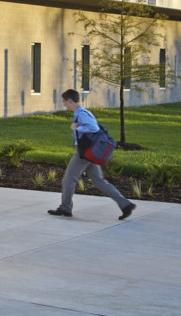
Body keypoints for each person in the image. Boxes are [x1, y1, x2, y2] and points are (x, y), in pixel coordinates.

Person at [48, 88, 135, 220]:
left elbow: (93, 128)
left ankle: (65, 208)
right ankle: (125, 204)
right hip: (90, 152)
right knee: (98, 181)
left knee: (69, 179)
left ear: (70, 101)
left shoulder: (81, 114)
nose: (64, 104)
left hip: (84, 153)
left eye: (64, 102)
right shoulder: (84, 112)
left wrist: (77, 128)